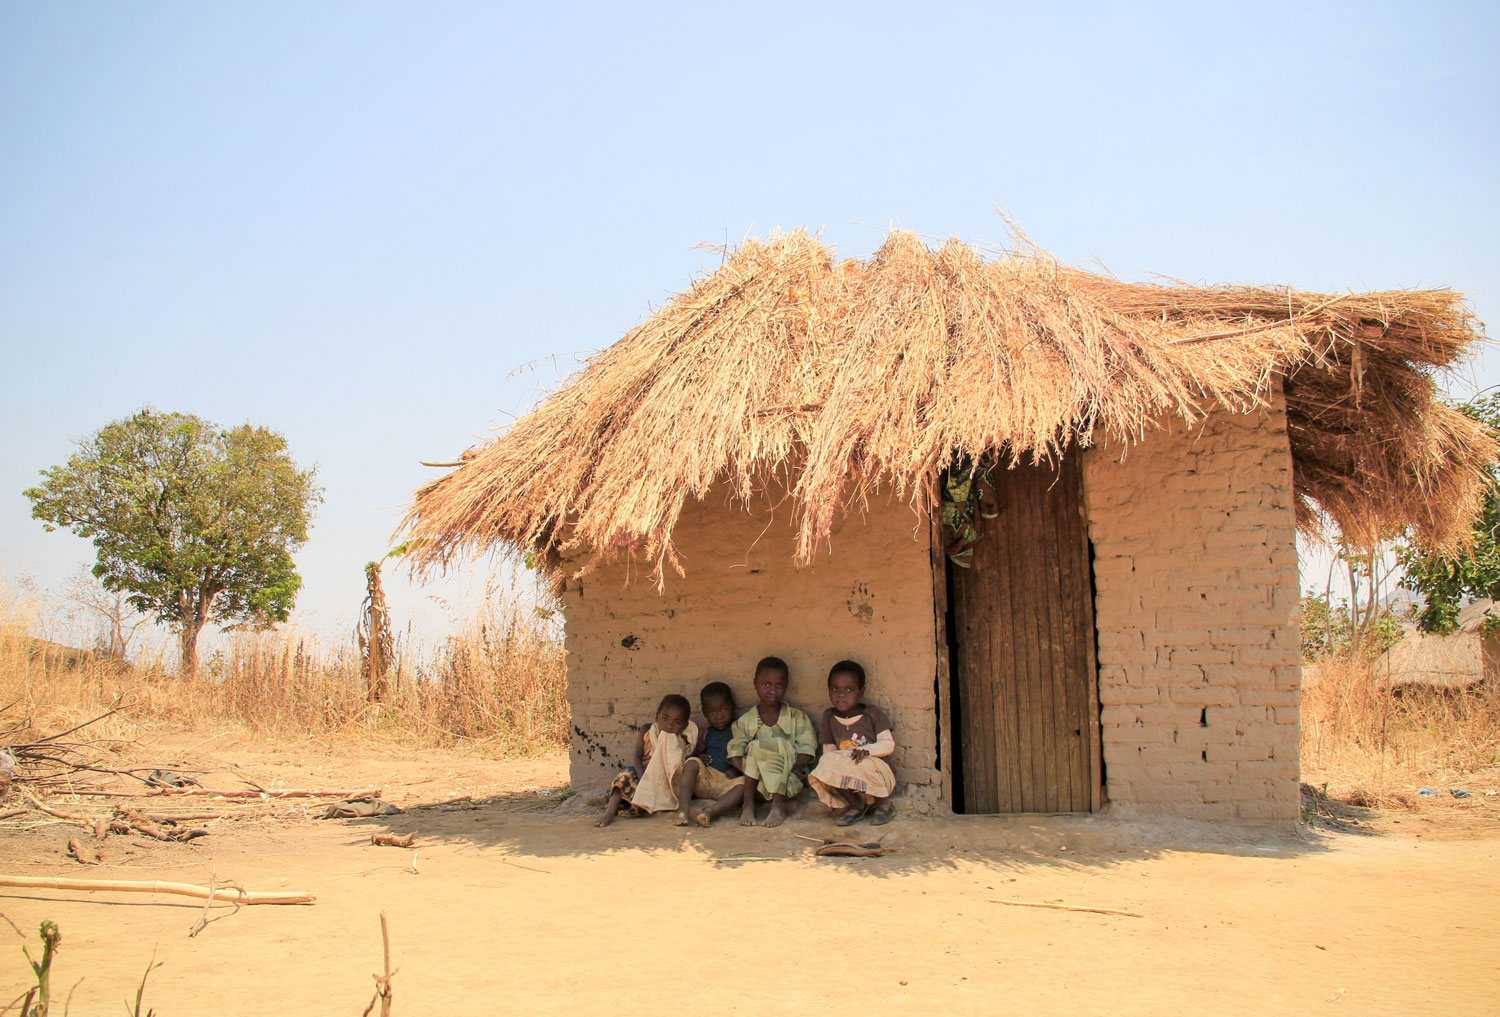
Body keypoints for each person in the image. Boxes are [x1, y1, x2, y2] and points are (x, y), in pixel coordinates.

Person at [727, 656, 816, 828]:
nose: (772, 690)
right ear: (755, 683)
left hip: (788, 780)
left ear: (786, 685)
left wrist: (777, 766)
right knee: (754, 747)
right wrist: (762, 768)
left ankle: (778, 807)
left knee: (778, 744)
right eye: (766, 684)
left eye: (778, 685)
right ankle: (748, 804)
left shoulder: (797, 718)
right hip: (757, 784)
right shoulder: (745, 722)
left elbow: (807, 752)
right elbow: (735, 753)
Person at [807, 659, 896, 826]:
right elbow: (829, 752)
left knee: (863, 763)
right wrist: (841, 760)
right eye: (835, 689)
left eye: (849, 689)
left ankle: (882, 803)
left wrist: (867, 751)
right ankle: (857, 805)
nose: (841, 695)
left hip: (875, 771)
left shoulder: (872, 714)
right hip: (849, 775)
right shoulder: (829, 717)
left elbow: (888, 745)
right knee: (826, 762)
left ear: (861, 691)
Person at [595, 694, 698, 827]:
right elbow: (637, 757)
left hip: (665, 783)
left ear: (684, 726)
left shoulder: (682, 740)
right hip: (642, 776)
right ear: (657, 716)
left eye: (677, 722)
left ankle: (635, 805)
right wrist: (643, 778)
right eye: (665, 719)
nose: (669, 725)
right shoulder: (647, 731)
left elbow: (680, 767)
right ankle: (610, 811)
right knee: (625, 774)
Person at [675, 681, 748, 827]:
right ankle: (683, 809)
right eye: (712, 712)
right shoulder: (706, 733)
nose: (719, 716)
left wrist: (738, 769)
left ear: (733, 706)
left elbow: (748, 755)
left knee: (746, 785)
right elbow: (695, 754)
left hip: (727, 784)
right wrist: (699, 757)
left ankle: (711, 811)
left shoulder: (739, 729)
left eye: (723, 709)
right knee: (691, 763)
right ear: (704, 713)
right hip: (706, 780)